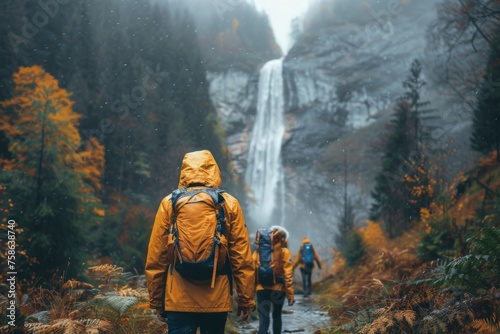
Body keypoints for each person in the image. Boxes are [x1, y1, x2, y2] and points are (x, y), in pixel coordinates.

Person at [145, 150, 255, 334]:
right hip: (215, 298)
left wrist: (157, 300)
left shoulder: (169, 203)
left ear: (184, 171)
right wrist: (246, 300)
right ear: (214, 171)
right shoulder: (229, 203)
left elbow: (157, 256)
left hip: (179, 298)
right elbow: (241, 257)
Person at [253, 225, 295, 334]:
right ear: (283, 238)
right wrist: (290, 295)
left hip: (261, 289)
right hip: (279, 290)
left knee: (263, 319)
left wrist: (249, 296)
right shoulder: (285, 252)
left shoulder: (258, 253)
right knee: (276, 315)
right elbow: (288, 275)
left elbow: (251, 273)